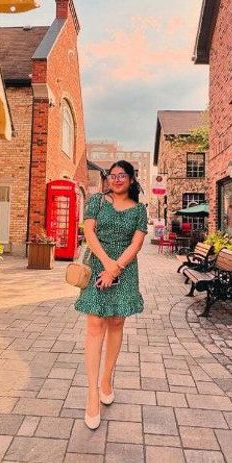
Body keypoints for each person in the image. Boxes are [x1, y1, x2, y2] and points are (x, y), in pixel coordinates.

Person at [74, 160, 149, 430]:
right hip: (97, 264)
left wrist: (116, 268)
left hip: (125, 269)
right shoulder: (96, 201)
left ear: (131, 180)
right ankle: (92, 392)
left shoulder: (140, 209)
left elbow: (137, 243)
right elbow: (89, 232)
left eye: (122, 175)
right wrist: (107, 264)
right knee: (95, 324)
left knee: (116, 322)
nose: (116, 179)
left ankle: (107, 378)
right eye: (112, 175)